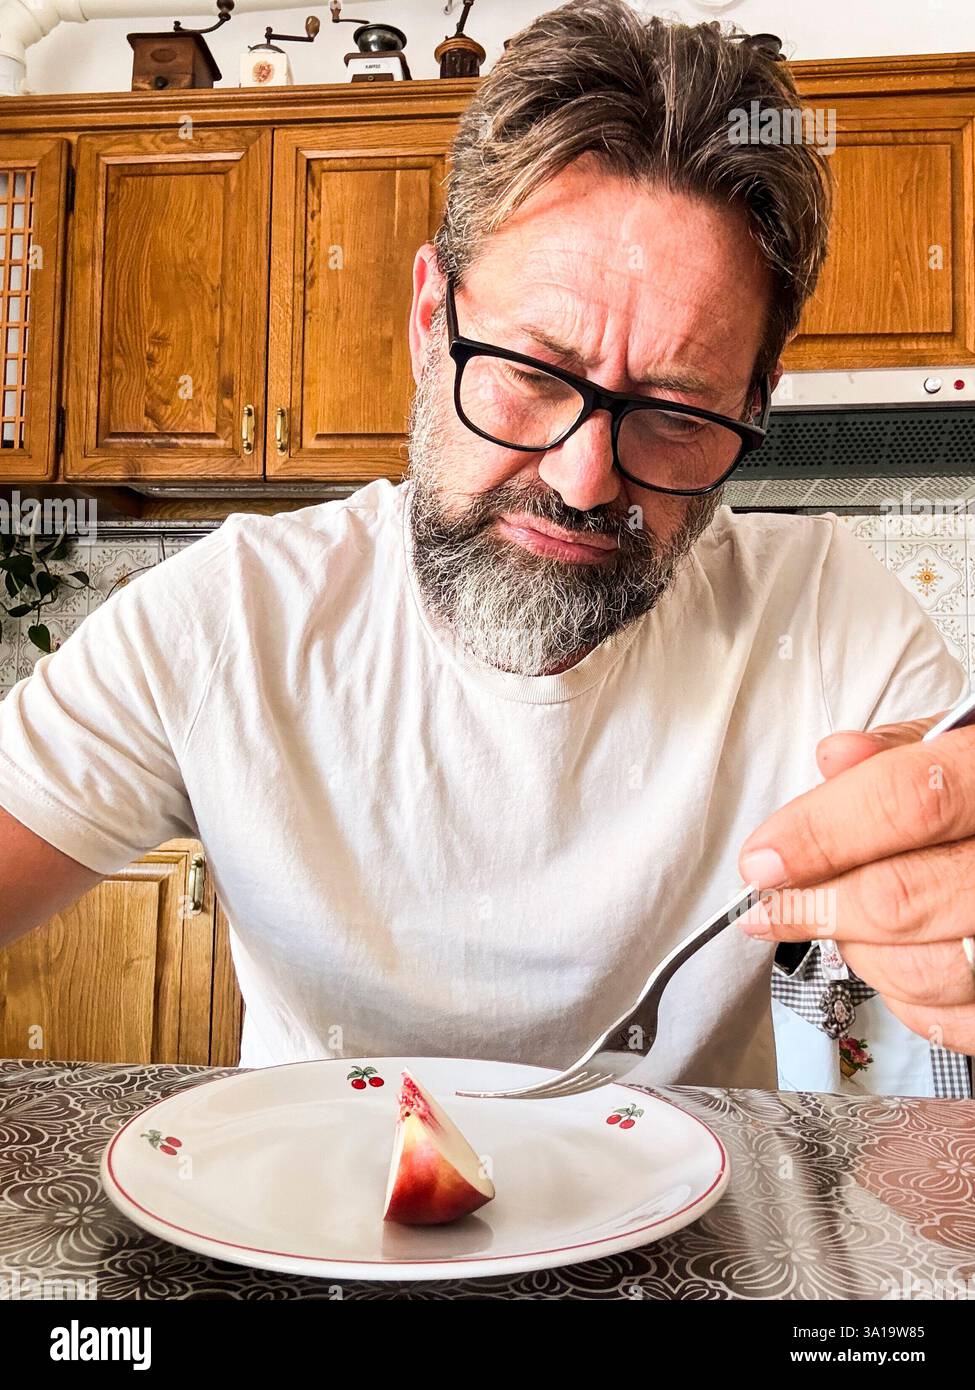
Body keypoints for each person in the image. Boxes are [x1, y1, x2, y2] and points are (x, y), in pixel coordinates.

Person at [1, 1, 972, 1084]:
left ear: (758, 401)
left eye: (678, 412)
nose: (581, 476)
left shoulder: (834, 626)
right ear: (431, 319)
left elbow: (911, 1080)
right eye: (528, 372)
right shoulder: (231, 620)